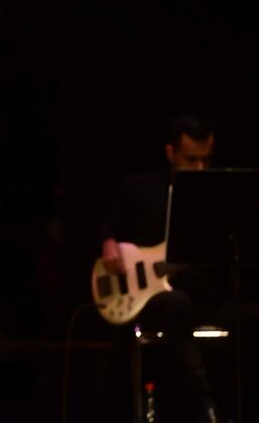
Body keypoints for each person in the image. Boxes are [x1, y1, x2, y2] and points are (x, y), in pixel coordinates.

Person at [101, 114, 220, 423]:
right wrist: (109, 243)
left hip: (198, 292)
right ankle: (205, 408)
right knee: (176, 304)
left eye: (205, 160)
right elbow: (109, 227)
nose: (199, 169)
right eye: (191, 160)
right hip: (150, 297)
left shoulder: (213, 197)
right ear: (171, 153)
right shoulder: (141, 188)